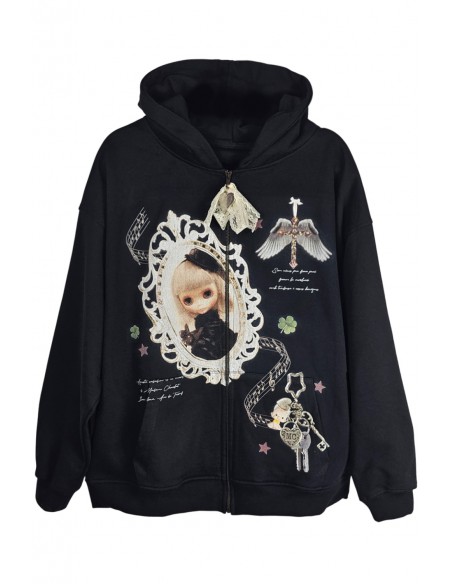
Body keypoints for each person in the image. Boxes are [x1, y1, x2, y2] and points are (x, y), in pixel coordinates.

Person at [172, 248, 237, 360]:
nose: (200, 304)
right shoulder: (200, 328)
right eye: (188, 300)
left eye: (207, 293)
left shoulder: (217, 327)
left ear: (218, 287)